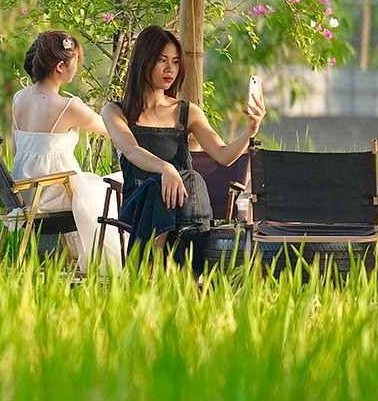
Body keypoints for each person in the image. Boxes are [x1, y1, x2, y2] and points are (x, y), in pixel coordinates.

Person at [100, 25, 262, 264]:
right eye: (162, 60)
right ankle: (176, 268)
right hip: (140, 205)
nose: (170, 69)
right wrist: (167, 169)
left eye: (175, 62)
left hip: (185, 204)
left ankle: (160, 269)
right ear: (143, 61)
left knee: (192, 179)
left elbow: (224, 155)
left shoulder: (186, 112)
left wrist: (251, 129)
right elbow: (131, 150)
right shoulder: (116, 111)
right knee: (162, 185)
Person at [11, 30, 121, 273]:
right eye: (75, 63)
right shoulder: (69, 106)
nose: (77, 68)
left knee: (99, 185)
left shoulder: (19, 98)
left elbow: (15, 149)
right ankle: (117, 263)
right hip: (54, 192)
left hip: (25, 194)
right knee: (117, 185)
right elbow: (111, 130)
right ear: (61, 66)